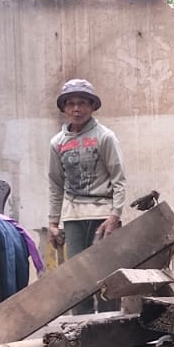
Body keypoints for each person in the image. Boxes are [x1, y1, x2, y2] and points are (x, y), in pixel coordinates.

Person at [46, 78, 127, 313]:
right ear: (64, 108)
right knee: (77, 278)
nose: (76, 109)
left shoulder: (105, 137)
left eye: (82, 103)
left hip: (103, 213)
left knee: (106, 275)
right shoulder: (57, 143)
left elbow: (119, 178)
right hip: (73, 215)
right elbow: (55, 183)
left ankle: (110, 328)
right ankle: (79, 333)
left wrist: (115, 215)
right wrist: (53, 222)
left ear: (92, 106)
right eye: (70, 104)